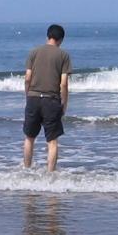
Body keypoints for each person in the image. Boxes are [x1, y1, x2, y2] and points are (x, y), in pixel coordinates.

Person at [22, 24, 71, 172]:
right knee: (52, 141)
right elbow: (63, 84)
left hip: (33, 98)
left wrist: (28, 95)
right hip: (51, 100)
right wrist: (64, 104)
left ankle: (26, 170)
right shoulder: (63, 55)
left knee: (29, 138)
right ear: (61, 39)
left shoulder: (33, 52)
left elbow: (27, 78)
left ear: (47, 36)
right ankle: (50, 174)